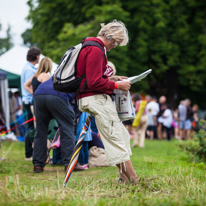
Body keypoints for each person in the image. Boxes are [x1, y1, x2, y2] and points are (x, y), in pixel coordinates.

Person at [76, 20, 140, 184]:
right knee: (116, 138)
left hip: (91, 98)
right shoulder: (96, 49)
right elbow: (94, 83)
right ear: (112, 38)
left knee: (121, 135)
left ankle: (123, 178)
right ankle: (134, 180)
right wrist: (117, 85)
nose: (116, 46)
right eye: (117, 43)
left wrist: (111, 78)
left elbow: (92, 76)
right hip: (95, 98)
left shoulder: (90, 46)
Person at [32, 78, 84, 173]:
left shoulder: (60, 74)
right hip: (58, 96)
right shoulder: (80, 79)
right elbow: (78, 102)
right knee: (67, 130)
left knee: (40, 131)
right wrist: (76, 116)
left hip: (38, 95)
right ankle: (69, 164)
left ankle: (38, 165)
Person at [21, 47, 41, 161]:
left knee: (30, 126)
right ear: (37, 56)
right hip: (29, 100)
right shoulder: (29, 70)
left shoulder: (28, 67)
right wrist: (35, 93)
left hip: (28, 100)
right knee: (30, 127)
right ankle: (29, 153)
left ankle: (30, 152)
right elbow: (30, 85)